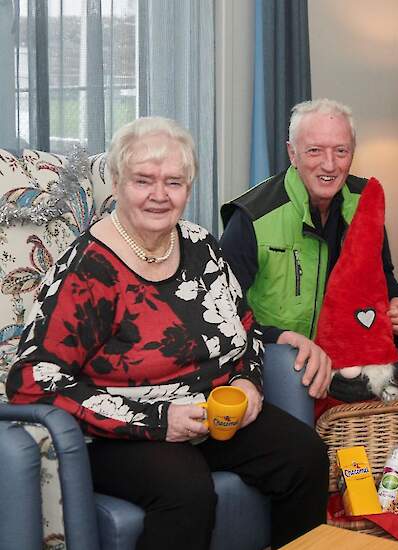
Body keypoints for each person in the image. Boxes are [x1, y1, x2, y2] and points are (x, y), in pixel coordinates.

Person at [5, 117, 329, 549]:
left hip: (212, 417)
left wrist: (246, 382)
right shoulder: (88, 268)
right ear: (118, 183)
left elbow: (246, 330)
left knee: (304, 454)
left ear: (189, 188)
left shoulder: (200, 245)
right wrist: (159, 420)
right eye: (144, 181)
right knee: (186, 489)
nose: (160, 195)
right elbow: (29, 379)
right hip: (120, 435)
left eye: (174, 182)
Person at [220, 98, 398, 404]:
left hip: (350, 338)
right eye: (314, 151)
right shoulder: (252, 218)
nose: (329, 164)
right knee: (293, 364)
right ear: (292, 153)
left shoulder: (365, 200)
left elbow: (382, 276)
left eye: (341, 151)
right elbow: (221, 313)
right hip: (283, 346)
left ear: (352, 153)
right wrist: (276, 337)